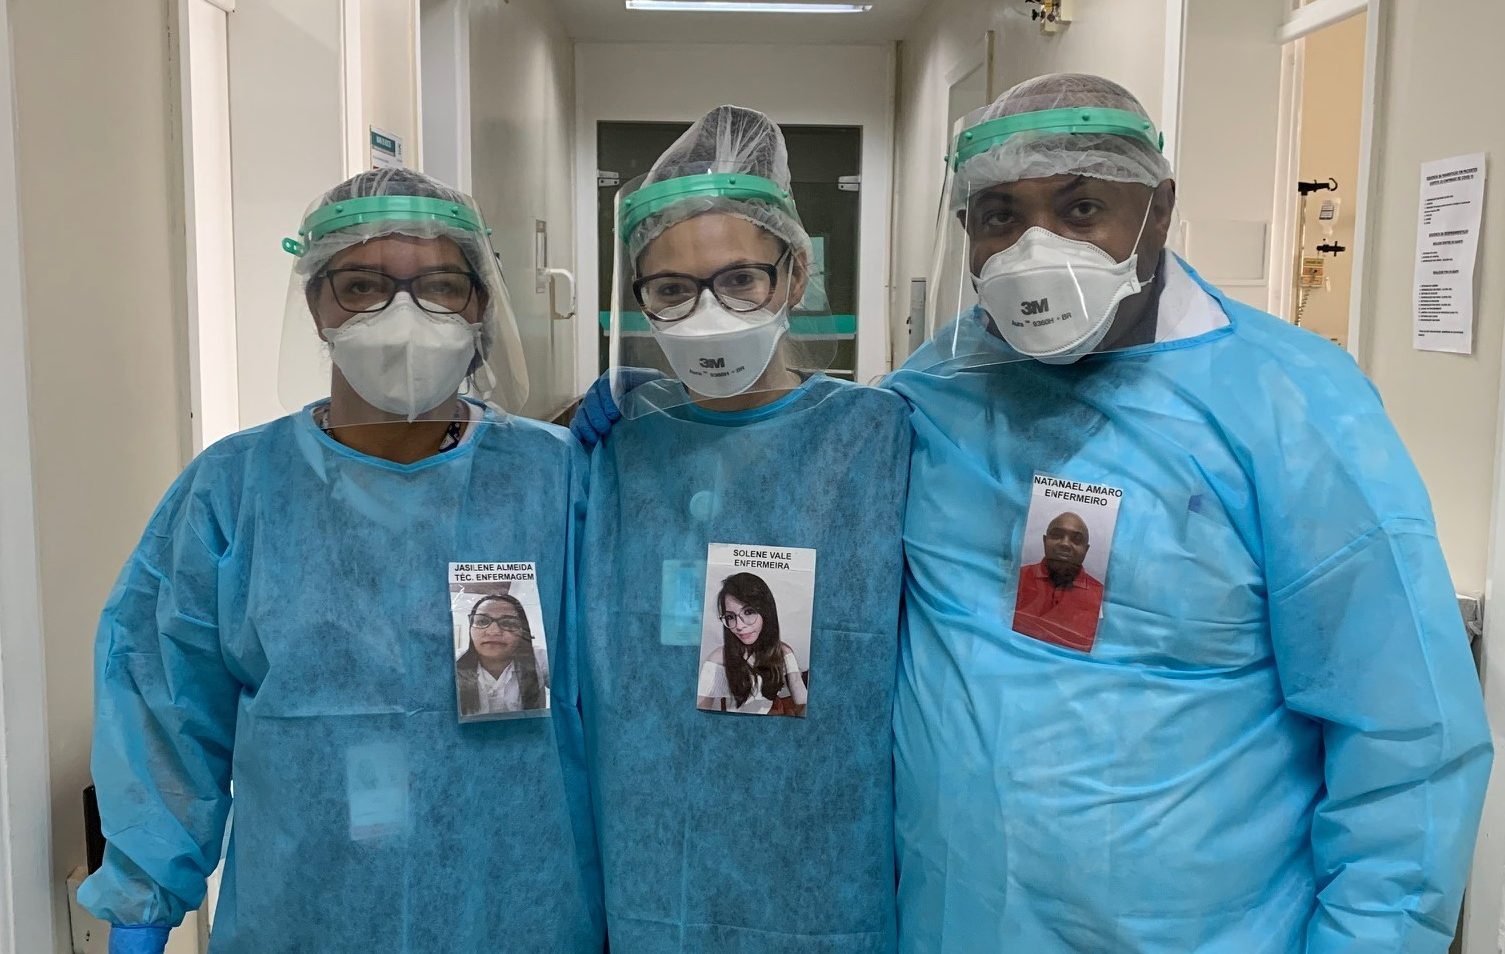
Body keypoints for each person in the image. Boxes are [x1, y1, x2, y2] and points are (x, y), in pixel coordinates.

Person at [889, 73, 1492, 952]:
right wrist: (644, 429)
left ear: (1159, 211)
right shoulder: (935, 390)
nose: (1034, 250)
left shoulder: (1291, 408)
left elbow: (1405, 744)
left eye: (1081, 207)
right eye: (998, 216)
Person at [80, 168, 602, 954]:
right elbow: (163, 706)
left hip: (517, 915)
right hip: (304, 917)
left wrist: (673, 439)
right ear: (318, 303)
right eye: (362, 285)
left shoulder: (557, 482)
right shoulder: (236, 490)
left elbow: (641, 689)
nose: (402, 316)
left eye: (438, 286)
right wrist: (142, 912)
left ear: (480, 305)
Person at [575, 105, 909, 951]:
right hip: (651, 875)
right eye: (672, 289)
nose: (707, 312)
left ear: (794, 276)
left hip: (821, 872)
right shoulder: (618, 451)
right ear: (639, 297)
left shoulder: (876, 442)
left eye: (740, 280)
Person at [696, 572, 808, 716]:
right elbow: (700, 712)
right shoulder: (717, 661)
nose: (739, 626)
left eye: (748, 612)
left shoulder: (783, 652)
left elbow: (800, 696)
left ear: (766, 613)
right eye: (730, 617)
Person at [1012, 511, 1103, 650]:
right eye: (1057, 535)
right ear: (1044, 540)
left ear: (1086, 549)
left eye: (1077, 539)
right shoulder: (1017, 578)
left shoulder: (1099, 594)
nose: (1065, 544)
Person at [456, 593, 548, 717]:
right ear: (470, 628)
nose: (493, 632)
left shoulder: (540, 659)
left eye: (508, 623)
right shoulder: (453, 662)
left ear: (522, 631)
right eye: (482, 621)